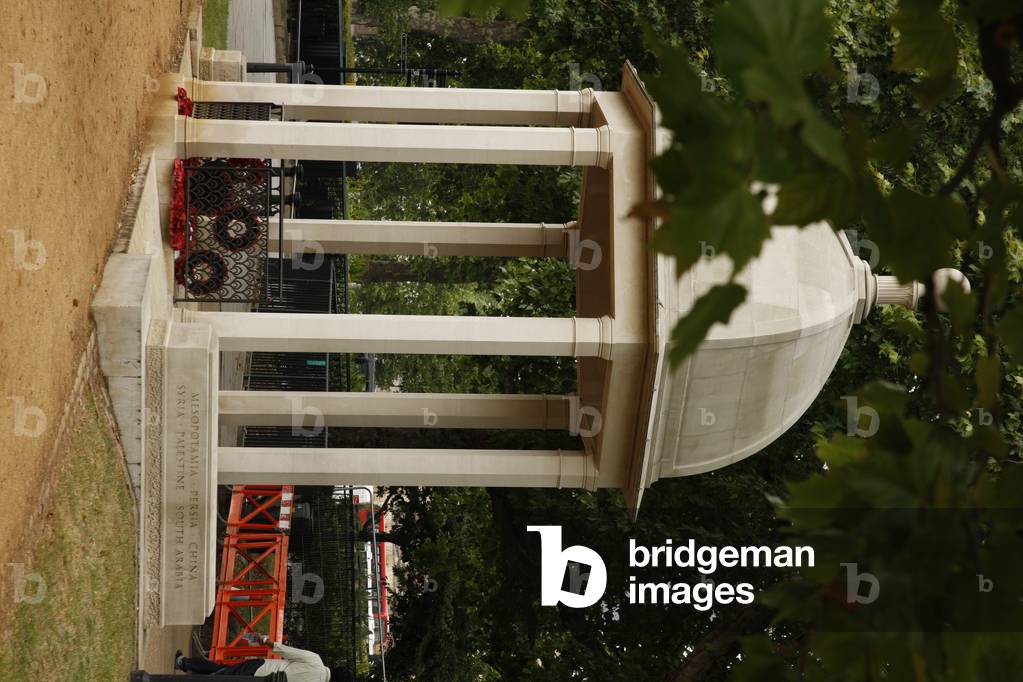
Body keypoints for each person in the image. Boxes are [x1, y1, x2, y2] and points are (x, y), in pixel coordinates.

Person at [175, 634, 332, 681]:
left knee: (221, 676)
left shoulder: (315, 660)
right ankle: (184, 663)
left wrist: (264, 640)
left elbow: (284, 650)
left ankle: (181, 667)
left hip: (262, 668)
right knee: (223, 671)